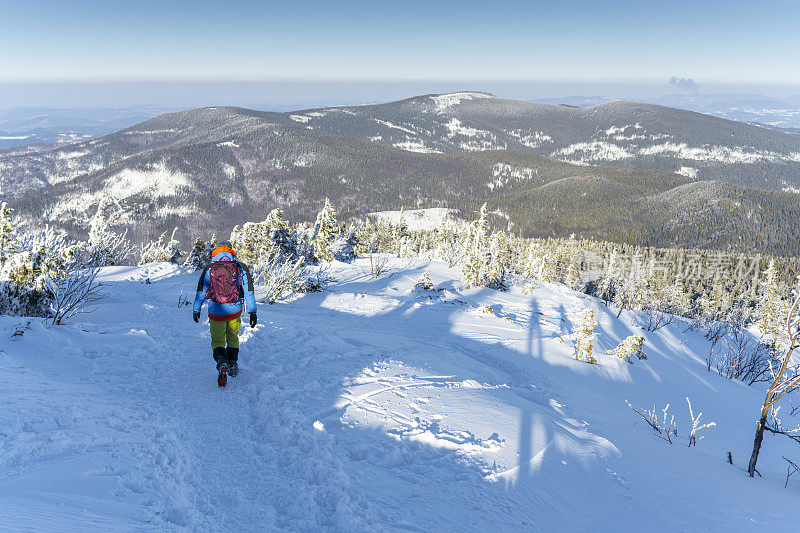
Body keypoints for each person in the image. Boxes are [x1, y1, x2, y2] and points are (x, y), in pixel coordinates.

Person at [192, 241, 257, 379]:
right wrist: (252, 311)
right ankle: (232, 363)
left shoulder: (210, 268)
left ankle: (221, 362)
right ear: (230, 251)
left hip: (216, 312)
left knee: (217, 340)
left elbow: (201, 291)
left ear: (216, 251)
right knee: (233, 337)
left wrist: (196, 309)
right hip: (234, 311)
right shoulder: (240, 267)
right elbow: (249, 290)